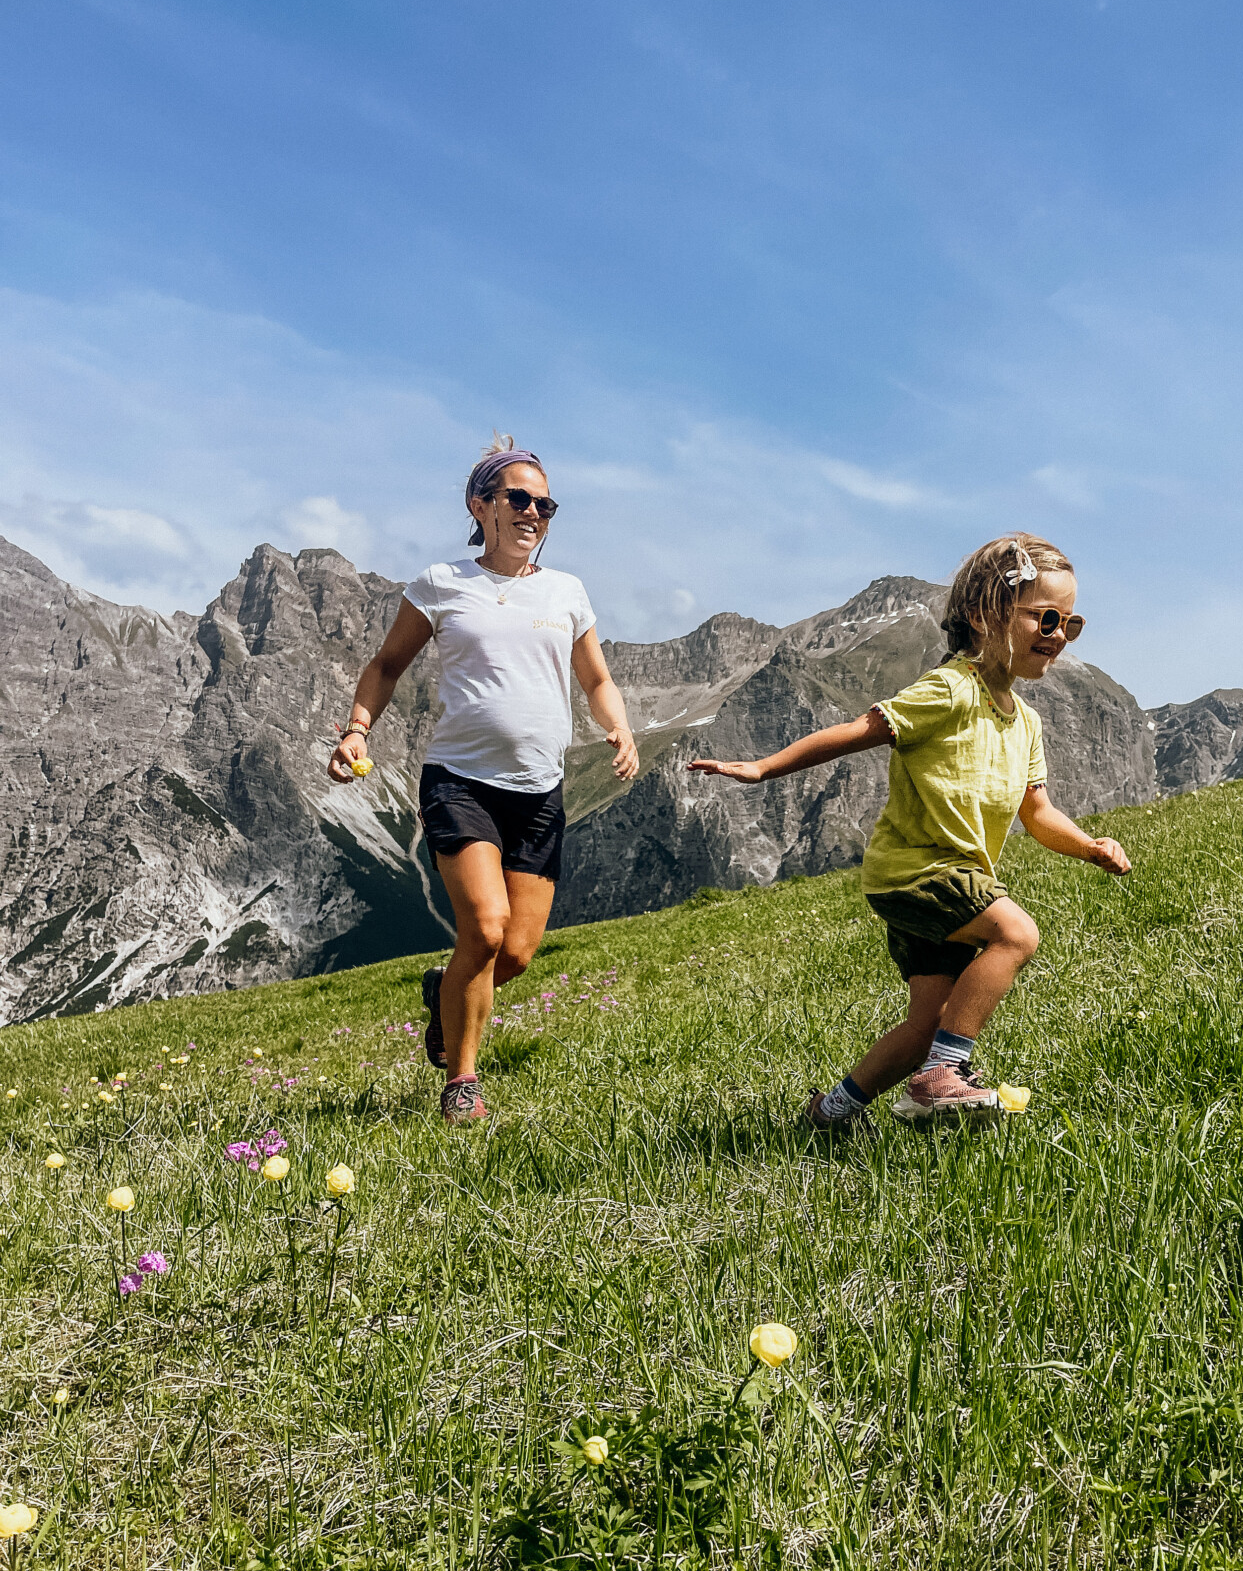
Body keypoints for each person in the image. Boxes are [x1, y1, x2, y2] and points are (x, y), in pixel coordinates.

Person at [688, 534, 1130, 1123]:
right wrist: (764, 767)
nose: (1057, 635)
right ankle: (943, 1077)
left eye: (1070, 625)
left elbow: (1038, 813)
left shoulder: (1026, 722)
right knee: (1016, 936)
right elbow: (859, 729)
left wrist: (1091, 848)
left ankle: (832, 1113)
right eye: (1045, 617)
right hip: (920, 871)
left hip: (936, 882)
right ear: (984, 615)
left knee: (929, 1021)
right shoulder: (951, 689)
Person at [329, 438, 638, 1123]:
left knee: (519, 954)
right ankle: (462, 1083)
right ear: (481, 505)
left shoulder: (567, 592)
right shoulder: (443, 583)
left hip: (539, 793)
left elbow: (596, 677)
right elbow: (387, 664)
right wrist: (356, 730)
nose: (534, 513)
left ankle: (447, 989)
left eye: (545, 504)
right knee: (487, 929)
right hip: (460, 783)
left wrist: (617, 726)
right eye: (519, 499)